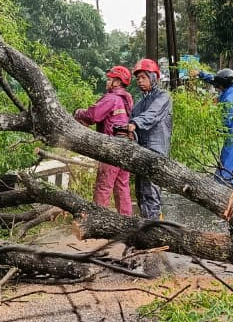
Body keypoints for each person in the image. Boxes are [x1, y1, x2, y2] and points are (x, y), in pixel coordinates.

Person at [74, 65, 135, 214]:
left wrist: (78, 112)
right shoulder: (127, 100)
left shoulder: (111, 98)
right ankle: (126, 226)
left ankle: (98, 221)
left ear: (118, 82)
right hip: (126, 147)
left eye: (110, 79)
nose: (107, 81)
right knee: (122, 186)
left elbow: (92, 115)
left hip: (111, 148)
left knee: (103, 186)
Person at [127, 58, 172, 219]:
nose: (140, 81)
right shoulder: (139, 104)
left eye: (144, 77)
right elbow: (131, 124)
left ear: (154, 78)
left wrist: (135, 123)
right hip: (141, 152)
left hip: (156, 152)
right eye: (138, 78)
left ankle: (156, 231)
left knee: (151, 194)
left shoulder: (163, 97)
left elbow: (153, 114)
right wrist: (129, 132)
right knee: (140, 193)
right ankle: (148, 231)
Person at [196, 68, 233, 188]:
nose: (217, 88)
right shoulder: (228, 85)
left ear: (224, 85)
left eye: (219, 86)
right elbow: (214, 79)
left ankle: (219, 184)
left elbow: (226, 117)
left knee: (229, 153)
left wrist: (217, 129)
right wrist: (200, 74)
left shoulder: (232, 96)